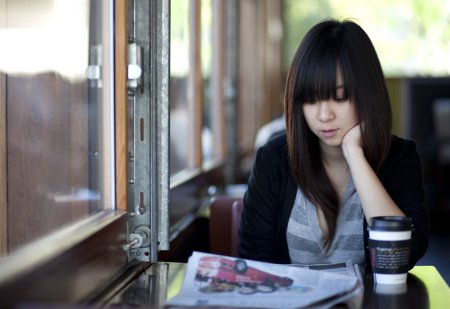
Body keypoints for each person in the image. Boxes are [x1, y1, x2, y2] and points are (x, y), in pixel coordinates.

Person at [238, 19, 429, 269]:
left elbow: (403, 256)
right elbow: (253, 264)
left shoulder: (400, 158)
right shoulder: (273, 160)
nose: (324, 115)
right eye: (311, 99)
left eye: (340, 97)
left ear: (367, 95)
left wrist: (354, 153)